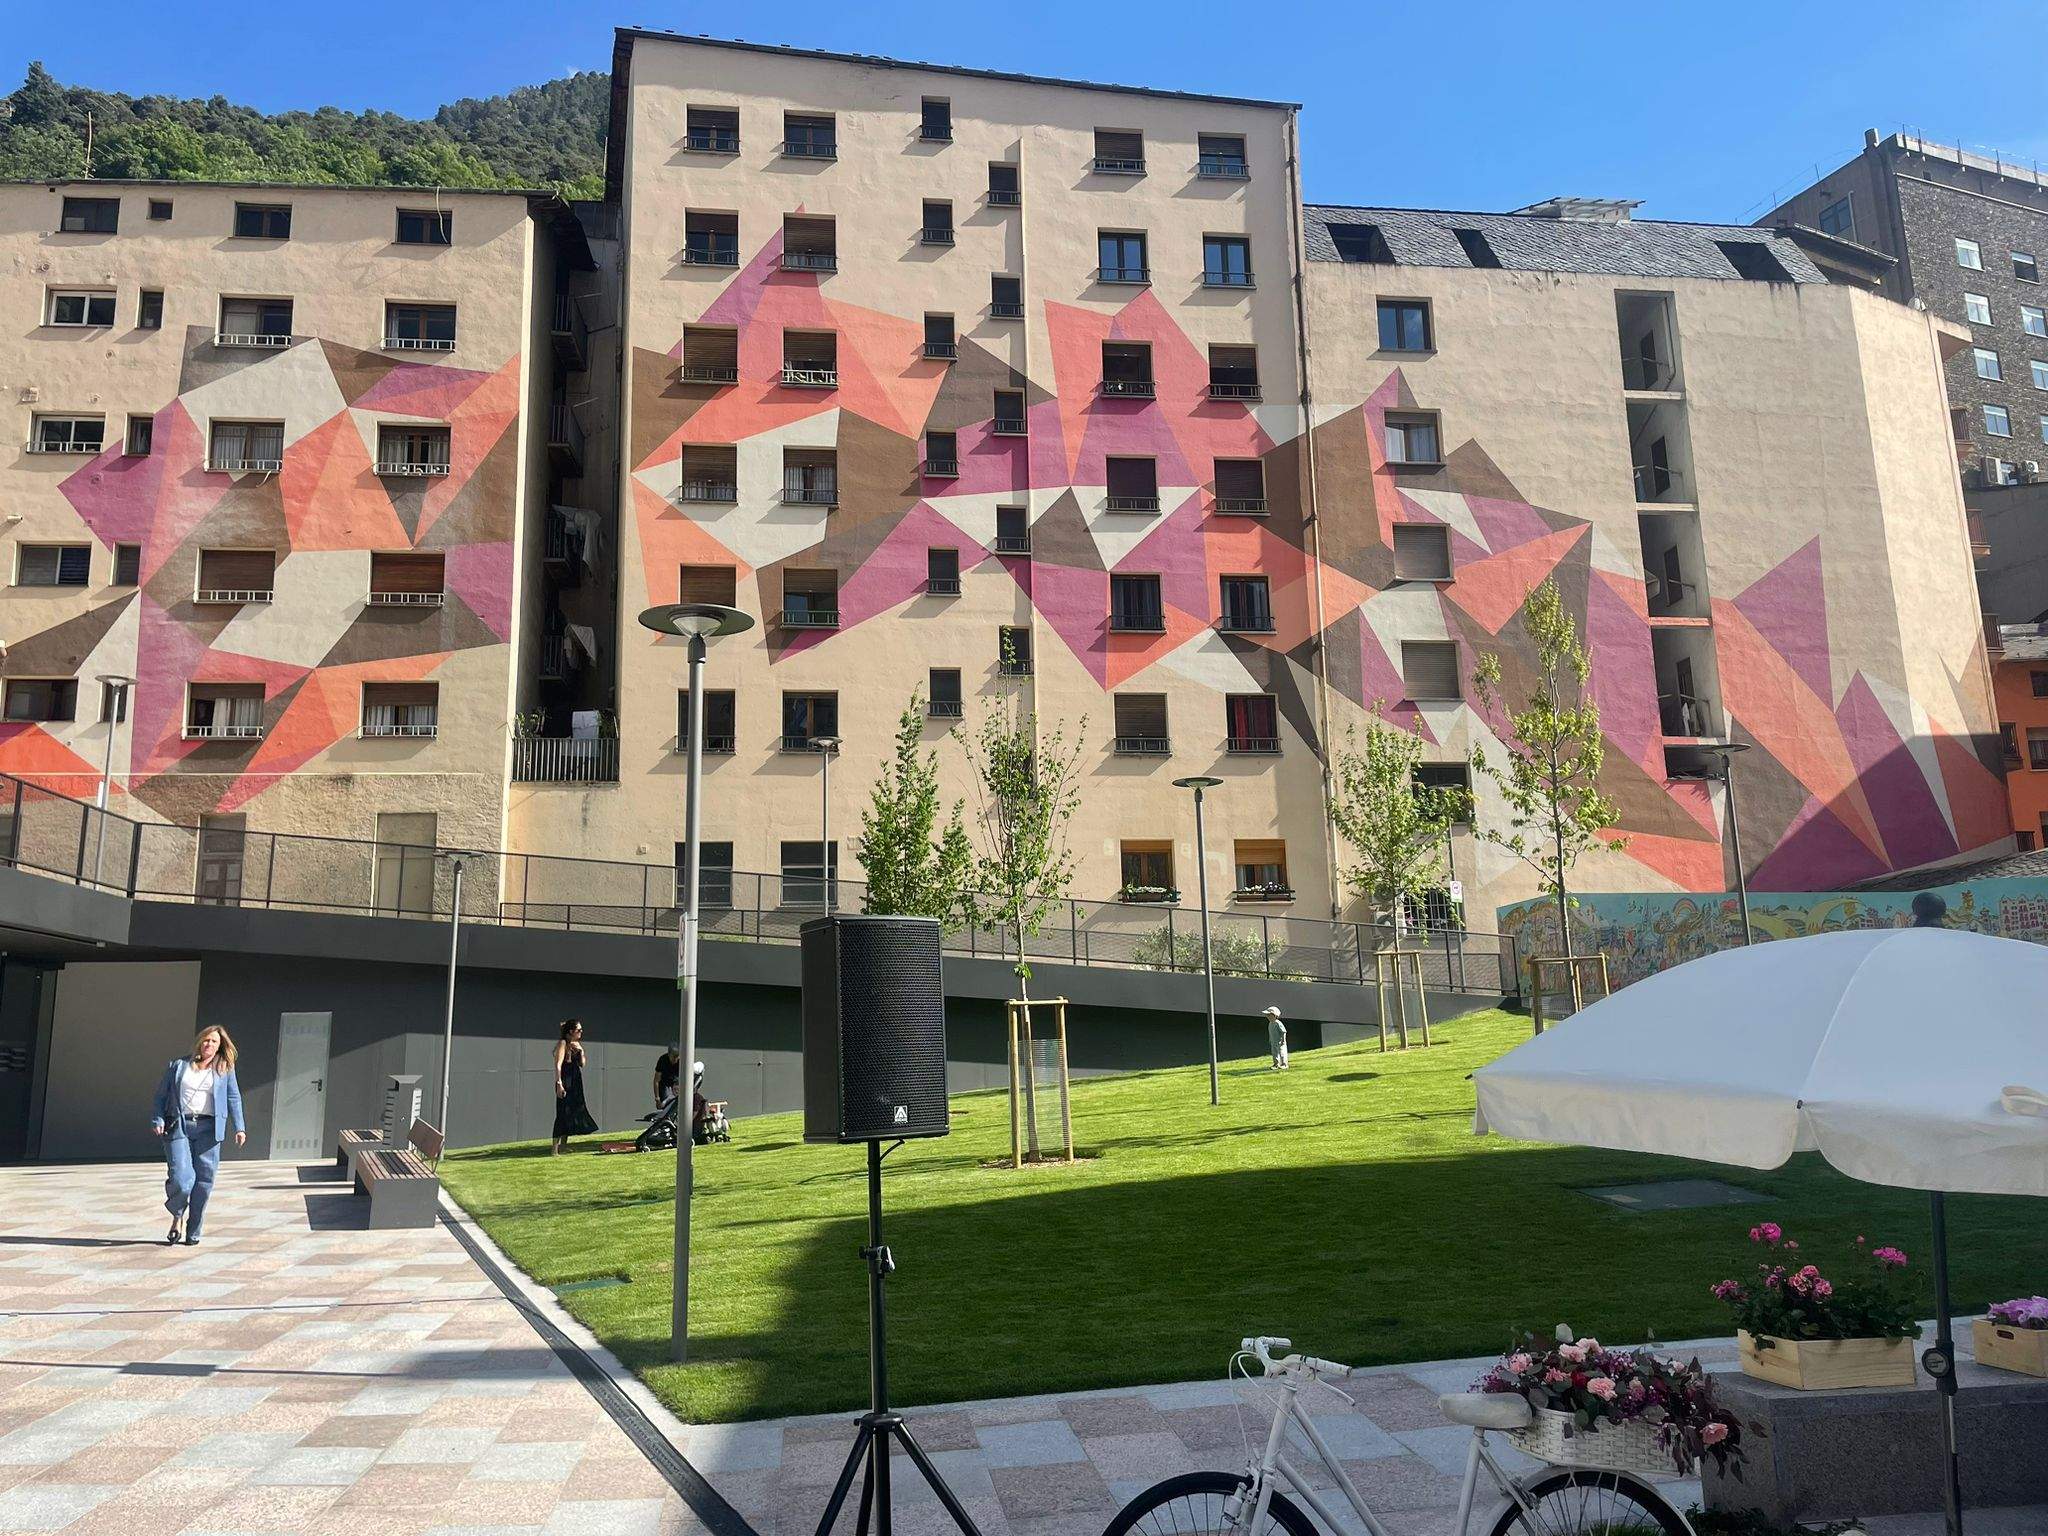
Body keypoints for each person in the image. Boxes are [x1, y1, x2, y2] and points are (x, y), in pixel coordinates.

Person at [149, 1025, 246, 1246]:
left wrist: (239, 1127)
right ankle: (177, 1215)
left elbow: (234, 1098)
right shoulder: (178, 1065)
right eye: (206, 1040)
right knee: (182, 1179)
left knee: (203, 1182)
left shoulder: (224, 1068)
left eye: (214, 1041)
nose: (209, 1044)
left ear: (220, 1046)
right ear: (199, 1041)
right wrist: (158, 1119)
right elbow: (161, 1096)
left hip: (209, 1129)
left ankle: (194, 1230)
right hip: (179, 1126)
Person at [552, 1018, 599, 1154]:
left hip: (575, 1081)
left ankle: (563, 1146)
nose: (581, 1032)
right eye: (579, 1030)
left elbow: (582, 1064)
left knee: (571, 1112)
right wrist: (559, 1084)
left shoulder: (576, 1044)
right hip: (565, 1081)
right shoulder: (563, 1044)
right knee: (562, 1113)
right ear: (571, 1031)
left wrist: (581, 1052)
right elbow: (558, 1065)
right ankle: (554, 1149)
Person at [653, 1044, 681, 1110]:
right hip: (664, 1084)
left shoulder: (681, 1061)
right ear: (669, 1055)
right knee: (664, 1106)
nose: (675, 1060)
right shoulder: (662, 1060)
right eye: (673, 1057)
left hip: (676, 1083)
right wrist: (657, 1098)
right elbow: (656, 1080)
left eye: (677, 1057)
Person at [1263, 1005, 1289, 1071]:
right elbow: (1271, 1033)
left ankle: (1284, 1064)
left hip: (1280, 1042)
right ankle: (1276, 1064)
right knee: (1274, 1053)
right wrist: (1270, 1039)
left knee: (1282, 1052)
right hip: (1273, 1042)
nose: (1267, 1017)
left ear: (1274, 1015)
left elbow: (1284, 1032)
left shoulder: (1278, 1023)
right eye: (1267, 1015)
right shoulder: (1270, 1024)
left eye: (1269, 1015)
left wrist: (1283, 1040)